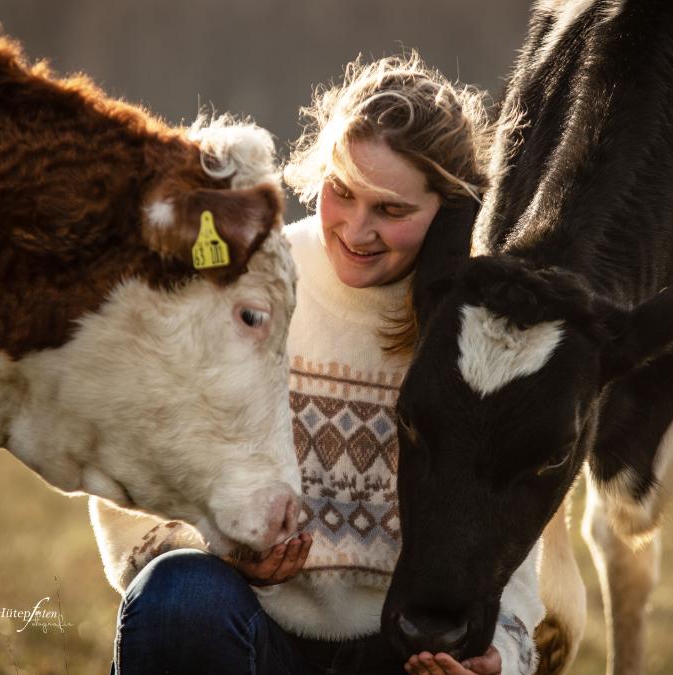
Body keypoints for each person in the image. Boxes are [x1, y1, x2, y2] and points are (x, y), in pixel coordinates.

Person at [93, 53, 543, 675]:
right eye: (343, 192)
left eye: (392, 210)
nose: (357, 230)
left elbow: (513, 540)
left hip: (407, 653)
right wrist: (221, 550)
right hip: (249, 630)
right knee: (180, 596)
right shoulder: (249, 280)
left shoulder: (484, 336)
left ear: (451, 207)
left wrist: (501, 659)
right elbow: (134, 475)